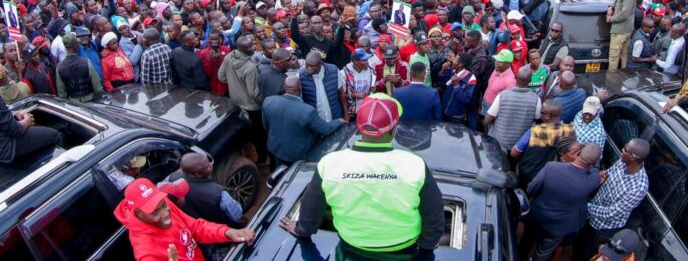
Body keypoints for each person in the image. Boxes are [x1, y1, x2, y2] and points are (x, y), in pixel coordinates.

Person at [280, 93, 444, 256]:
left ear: (359, 127)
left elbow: (312, 208)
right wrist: (427, 246)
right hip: (404, 247)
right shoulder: (415, 165)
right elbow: (433, 214)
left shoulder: (329, 163)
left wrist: (302, 229)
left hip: (350, 244)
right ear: (394, 129)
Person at [114, 177, 254, 261]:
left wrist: (227, 232)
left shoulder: (161, 203)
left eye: (163, 205)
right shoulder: (146, 252)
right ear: (138, 213)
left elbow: (195, 227)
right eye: (154, 212)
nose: (165, 213)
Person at [522, 143, 601, 261]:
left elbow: (530, 189)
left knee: (526, 242)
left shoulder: (552, 167)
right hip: (557, 228)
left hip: (536, 217)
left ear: (578, 153)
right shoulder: (592, 181)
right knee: (543, 253)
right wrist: (597, 162)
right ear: (594, 162)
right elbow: (595, 170)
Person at [263, 75, 345, 169]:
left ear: (284, 87)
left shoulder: (269, 101)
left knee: (278, 175)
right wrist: (340, 120)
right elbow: (325, 129)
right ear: (300, 89)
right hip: (297, 155)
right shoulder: (307, 111)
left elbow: (266, 125)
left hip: (276, 149)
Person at [587, 138, 650, 252]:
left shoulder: (638, 187)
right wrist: (598, 177)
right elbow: (607, 174)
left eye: (625, 150)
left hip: (602, 228)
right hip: (591, 211)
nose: (622, 150)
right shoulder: (623, 162)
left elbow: (611, 213)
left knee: (586, 252)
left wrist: (586, 206)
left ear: (632, 157)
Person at [511, 99, 577, 188]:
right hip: (550, 175)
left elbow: (514, 153)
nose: (539, 113)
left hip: (528, 173)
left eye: (541, 112)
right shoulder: (569, 131)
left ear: (547, 117)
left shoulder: (533, 132)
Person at [485, 66, 541, 151]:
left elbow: (488, 119)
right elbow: (538, 120)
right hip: (518, 145)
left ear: (515, 77)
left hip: (498, 142)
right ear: (530, 81)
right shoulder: (536, 99)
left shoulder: (503, 95)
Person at [607, 0, 638, 83]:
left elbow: (624, 13)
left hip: (621, 29)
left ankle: (611, 81)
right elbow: (617, 0)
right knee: (622, 58)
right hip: (623, 29)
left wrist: (611, 19)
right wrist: (611, 6)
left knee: (614, 58)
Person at [55, 33, 104, 103]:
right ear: (75, 46)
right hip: (91, 101)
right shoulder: (86, 62)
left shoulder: (59, 67)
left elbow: (62, 93)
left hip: (73, 104)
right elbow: (97, 87)